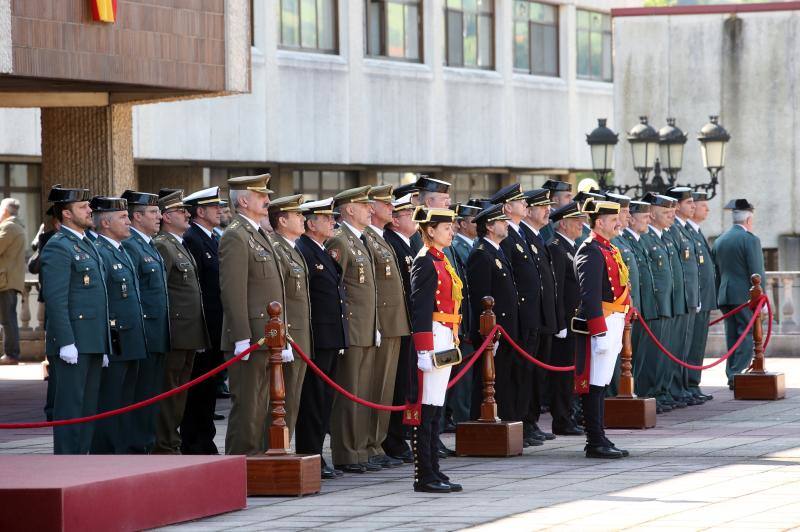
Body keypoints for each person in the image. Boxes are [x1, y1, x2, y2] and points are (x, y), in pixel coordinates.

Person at [220, 174, 286, 456]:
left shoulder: (259, 233)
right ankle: (239, 465)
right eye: (262, 196)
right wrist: (241, 337)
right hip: (251, 338)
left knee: (262, 408)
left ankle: (257, 463)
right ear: (244, 201)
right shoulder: (236, 235)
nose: (268, 200)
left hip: (268, 336)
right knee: (248, 408)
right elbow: (233, 291)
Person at [40, 186, 109, 454]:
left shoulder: (86, 242)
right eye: (83, 207)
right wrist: (66, 342)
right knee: (71, 408)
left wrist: (103, 342)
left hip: (92, 340)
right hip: (73, 343)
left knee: (88, 409)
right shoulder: (59, 247)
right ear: (66, 214)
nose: (90, 210)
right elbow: (56, 300)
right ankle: (67, 464)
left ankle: (82, 464)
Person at [325, 186, 381, 473]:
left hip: (367, 327)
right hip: (352, 328)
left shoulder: (360, 240)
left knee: (364, 392)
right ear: (349, 209)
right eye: (364, 205)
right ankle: (346, 452)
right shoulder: (340, 241)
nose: (370, 210)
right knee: (349, 392)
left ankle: (360, 450)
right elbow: (338, 290)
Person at [409, 206, 463, 493]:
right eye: (446, 228)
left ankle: (435, 470)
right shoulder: (425, 261)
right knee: (426, 410)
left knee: (435, 408)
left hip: (445, 335)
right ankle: (424, 474)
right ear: (430, 230)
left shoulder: (440, 259)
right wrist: (423, 350)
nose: (450, 232)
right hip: (432, 335)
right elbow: (419, 309)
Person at [152, 190, 211, 454]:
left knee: (180, 391)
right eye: (180, 211)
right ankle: (165, 443)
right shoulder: (163, 244)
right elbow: (160, 292)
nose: (187, 214)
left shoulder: (178, 243)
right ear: (166, 216)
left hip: (189, 331)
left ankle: (171, 441)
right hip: (176, 331)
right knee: (170, 390)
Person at [295, 197, 348, 479]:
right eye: (326, 218)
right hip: (318, 335)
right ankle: (310, 452)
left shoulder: (321, 250)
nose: (332, 222)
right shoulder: (304, 249)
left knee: (325, 399)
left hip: (332, 334)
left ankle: (317, 455)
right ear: (310, 223)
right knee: (313, 400)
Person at [90, 196, 148, 455]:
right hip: (116, 339)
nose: (128, 221)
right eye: (123, 218)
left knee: (127, 402)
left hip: (132, 337)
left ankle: (123, 451)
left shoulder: (121, 248)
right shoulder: (100, 250)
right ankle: (108, 453)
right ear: (105, 222)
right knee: (111, 402)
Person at [573, 197, 630, 459]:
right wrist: (599, 331)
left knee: (602, 383)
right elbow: (589, 295)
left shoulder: (608, 248)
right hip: (602, 323)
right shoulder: (590, 250)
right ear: (599, 222)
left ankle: (600, 435)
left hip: (614, 319)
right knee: (594, 384)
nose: (618, 223)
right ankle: (594, 440)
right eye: (613, 219)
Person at [490, 184, 544, 447]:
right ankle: (515, 420)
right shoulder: (507, 235)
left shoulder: (520, 232)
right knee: (513, 374)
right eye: (520, 202)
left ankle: (523, 421)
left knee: (525, 373)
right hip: (518, 316)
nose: (525, 205)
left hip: (529, 315)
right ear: (507, 207)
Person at [121, 190, 171, 453]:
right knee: (141, 396)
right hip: (145, 333)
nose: (159, 217)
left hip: (158, 333)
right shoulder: (131, 245)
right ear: (136, 216)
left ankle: (146, 445)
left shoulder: (149, 244)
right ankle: (138, 447)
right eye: (153, 212)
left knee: (152, 396)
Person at [362, 184, 408, 469]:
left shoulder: (381, 238)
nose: (390, 208)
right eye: (385, 204)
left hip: (393, 323)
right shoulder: (367, 238)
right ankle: (365, 445)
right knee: (371, 389)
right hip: (378, 325)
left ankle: (375, 444)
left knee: (385, 389)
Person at [181, 186, 225, 454]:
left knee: (209, 391)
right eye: (214, 207)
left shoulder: (212, 238)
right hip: (203, 327)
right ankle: (194, 442)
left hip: (216, 326)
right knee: (198, 391)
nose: (220, 210)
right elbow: (194, 289)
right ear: (200, 211)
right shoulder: (192, 239)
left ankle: (205, 441)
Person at [466, 204, 518, 423]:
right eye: (502, 221)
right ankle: (483, 424)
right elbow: (482, 298)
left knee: (504, 380)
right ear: (489, 226)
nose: (506, 224)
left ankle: (502, 420)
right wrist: (489, 335)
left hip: (505, 330)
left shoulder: (497, 251)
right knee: (486, 383)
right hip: (492, 332)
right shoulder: (482, 254)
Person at [267, 194, 310, 438]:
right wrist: (283, 340)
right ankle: (276, 450)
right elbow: (277, 298)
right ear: (282, 221)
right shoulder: (277, 249)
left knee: (292, 400)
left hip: (299, 337)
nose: (303, 219)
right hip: (288, 336)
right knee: (282, 402)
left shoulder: (291, 248)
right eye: (297, 215)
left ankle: (284, 447)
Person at [712, 199, 766, 389]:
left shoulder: (720, 240)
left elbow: (716, 272)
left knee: (732, 336)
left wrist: (718, 295)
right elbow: (756, 273)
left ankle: (731, 373)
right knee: (746, 333)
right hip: (744, 295)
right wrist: (762, 299)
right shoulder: (750, 239)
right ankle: (737, 373)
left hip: (725, 294)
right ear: (749, 219)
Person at [381, 193, 417, 463]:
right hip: (397, 323)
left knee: (404, 383)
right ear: (394, 220)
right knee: (394, 385)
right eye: (408, 214)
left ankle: (398, 437)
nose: (414, 217)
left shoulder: (407, 244)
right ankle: (392, 439)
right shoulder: (392, 243)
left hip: (408, 323)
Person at [640, 193, 682, 411]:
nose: (671, 216)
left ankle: (661, 391)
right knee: (651, 355)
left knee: (664, 353)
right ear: (653, 214)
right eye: (666, 213)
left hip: (667, 303)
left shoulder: (663, 237)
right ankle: (650, 393)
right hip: (653, 305)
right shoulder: (645, 238)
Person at [547, 201, 586, 436]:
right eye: (576, 221)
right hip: (565, 323)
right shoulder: (556, 247)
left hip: (576, 322)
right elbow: (558, 290)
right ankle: (561, 418)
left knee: (572, 372)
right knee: (562, 374)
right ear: (563, 224)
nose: (581, 225)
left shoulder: (572, 246)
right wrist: (560, 323)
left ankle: (569, 415)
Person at [622, 201, 664, 410]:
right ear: (631, 219)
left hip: (639, 306)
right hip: (628, 308)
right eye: (644, 217)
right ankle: (630, 392)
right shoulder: (624, 241)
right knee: (630, 356)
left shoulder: (634, 240)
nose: (649, 220)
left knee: (639, 355)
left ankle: (640, 391)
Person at [665, 187, 703, 406]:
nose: (694, 206)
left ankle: (682, 387)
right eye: (689, 202)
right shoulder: (674, 230)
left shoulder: (684, 229)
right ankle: (673, 388)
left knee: (685, 346)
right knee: (673, 347)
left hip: (687, 297)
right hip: (676, 299)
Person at [605, 193, 637, 397]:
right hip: (610, 310)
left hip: (624, 309)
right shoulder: (600, 245)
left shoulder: (620, 241)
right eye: (620, 213)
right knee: (610, 361)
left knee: (624, 355)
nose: (626, 217)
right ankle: (612, 396)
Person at [686, 192, 716, 401]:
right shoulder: (685, 231)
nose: (707, 209)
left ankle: (692, 384)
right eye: (702, 205)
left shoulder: (696, 232)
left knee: (697, 345)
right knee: (689, 345)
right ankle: (686, 384)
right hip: (693, 298)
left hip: (703, 298)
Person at [0, 198, 26, 366]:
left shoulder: (8, 227)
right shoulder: (18, 227)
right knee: (9, 318)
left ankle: (11, 354)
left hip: (5, 280)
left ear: (6, 211)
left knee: (7, 319)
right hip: (10, 279)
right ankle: (12, 353)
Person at [410, 175, 452, 254]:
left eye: (448, 199)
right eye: (444, 199)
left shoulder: (442, 230)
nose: (448, 203)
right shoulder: (418, 234)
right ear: (429, 202)